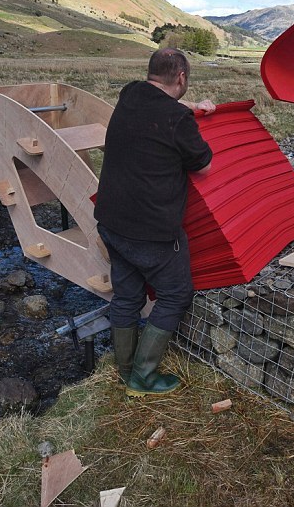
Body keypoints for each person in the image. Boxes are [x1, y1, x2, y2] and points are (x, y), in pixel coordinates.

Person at [94, 47, 215, 397]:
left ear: (150, 74)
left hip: (111, 221)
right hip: (151, 231)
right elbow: (203, 166)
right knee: (176, 294)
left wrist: (189, 108)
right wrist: (191, 115)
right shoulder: (178, 120)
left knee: (128, 295)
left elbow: (158, 110)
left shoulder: (130, 93)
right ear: (181, 78)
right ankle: (142, 378)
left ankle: (124, 367)